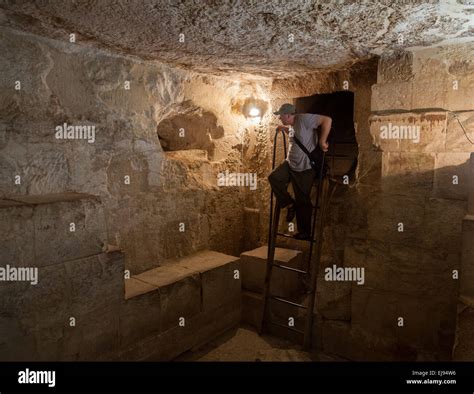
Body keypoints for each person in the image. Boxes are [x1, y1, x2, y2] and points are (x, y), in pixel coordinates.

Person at [268, 103, 332, 240]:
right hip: (290, 164)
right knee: (274, 178)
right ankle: (290, 204)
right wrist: (283, 128)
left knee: (302, 199)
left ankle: (304, 232)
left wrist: (322, 141)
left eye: (280, 116)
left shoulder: (304, 119)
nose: (279, 118)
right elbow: (296, 135)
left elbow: (327, 120)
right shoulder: (292, 125)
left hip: (304, 168)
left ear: (288, 115)